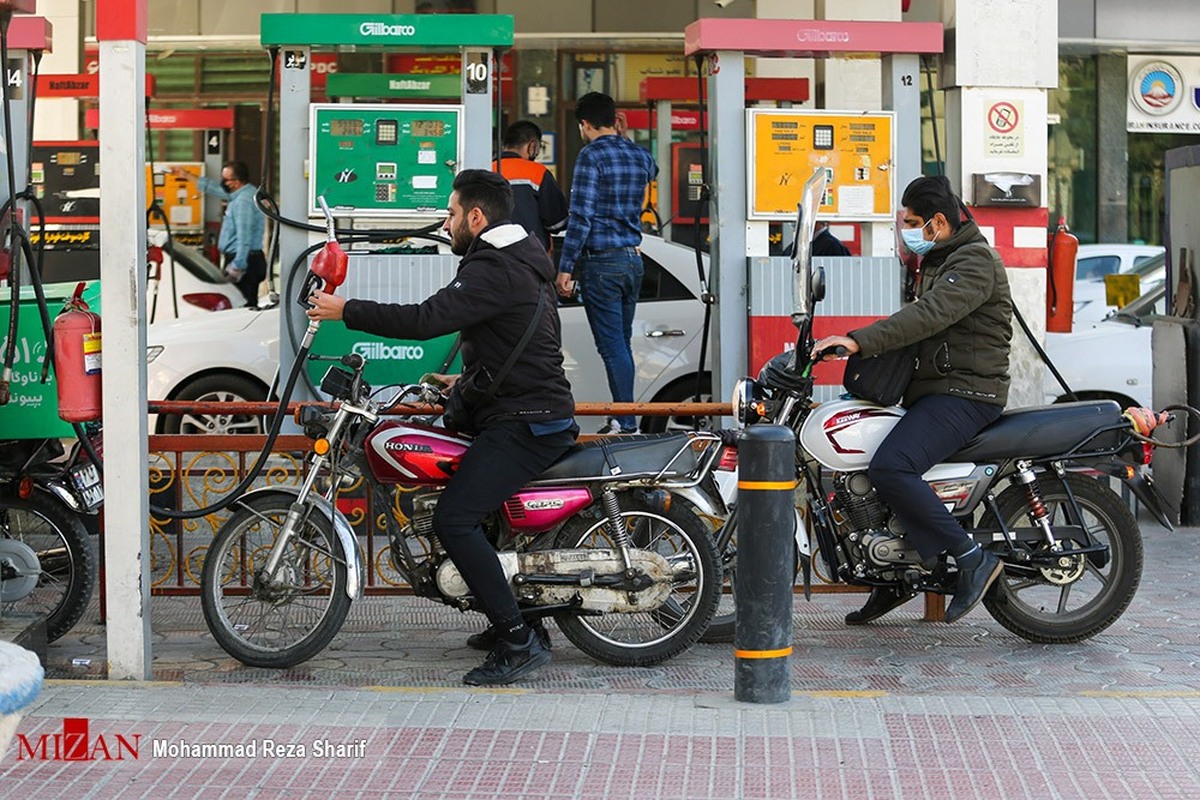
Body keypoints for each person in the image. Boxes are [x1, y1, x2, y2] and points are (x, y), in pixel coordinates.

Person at [305, 169, 576, 686]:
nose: (446, 223)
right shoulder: (517, 261)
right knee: (482, 516)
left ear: (476, 217)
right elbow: (516, 340)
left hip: (525, 422)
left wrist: (346, 311)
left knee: (456, 519)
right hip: (522, 408)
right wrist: (465, 379)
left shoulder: (494, 268)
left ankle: (519, 641)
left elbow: (427, 319)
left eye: (452, 214)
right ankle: (521, 623)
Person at [811, 175, 1013, 626]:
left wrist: (859, 340)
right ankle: (896, 579)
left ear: (938, 222)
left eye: (912, 222)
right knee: (862, 465)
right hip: (936, 391)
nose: (906, 231)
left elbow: (927, 316)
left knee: (891, 466)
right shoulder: (941, 259)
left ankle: (971, 557)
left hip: (967, 394)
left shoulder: (974, 261)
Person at [557, 91, 658, 435]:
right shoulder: (638, 154)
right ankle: (624, 416)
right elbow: (652, 168)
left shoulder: (590, 156)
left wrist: (565, 267)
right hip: (633, 261)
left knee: (612, 346)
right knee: (622, 344)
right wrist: (624, 137)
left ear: (584, 124)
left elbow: (581, 216)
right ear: (615, 120)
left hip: (602, 263)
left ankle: (626, 421)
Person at [171, 161, 266, 306]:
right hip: (245, 259)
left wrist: (237, 266)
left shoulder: (243, 202)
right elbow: (216, 189)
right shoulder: (243, 193)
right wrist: (186, 175)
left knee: (242, 308)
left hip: (244, 261)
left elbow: (244, 236)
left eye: (226, 179)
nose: (223, 183)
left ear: (236, 182)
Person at [493, 120, 568, 253]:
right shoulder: (537, 172)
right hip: (532, 259)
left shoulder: (488, 169)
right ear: (532, 146)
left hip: (492, 256)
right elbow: (557, 223)